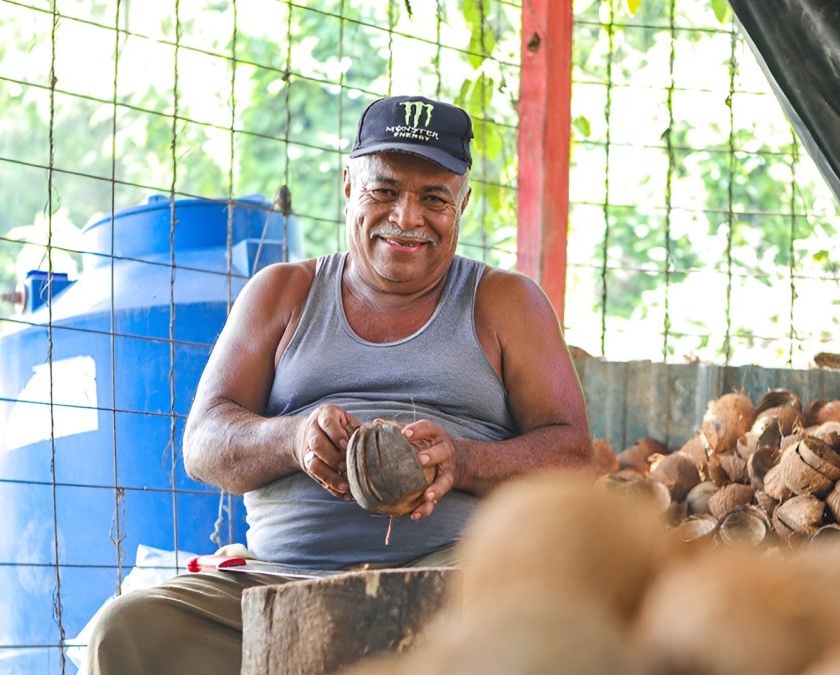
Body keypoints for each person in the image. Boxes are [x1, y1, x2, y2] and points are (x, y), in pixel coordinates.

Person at [84, 94, 591, 673]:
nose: (407, 217)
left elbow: (573, 458)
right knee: (126, 630)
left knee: (539, 624)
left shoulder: (507, 301)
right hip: (276, 583)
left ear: (463, 204)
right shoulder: (282, 293)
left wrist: (463, 461)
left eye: (434, 198)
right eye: (385, 190)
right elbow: (202, 445)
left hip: (455, 578)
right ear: (349, 184)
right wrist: (294, 439)